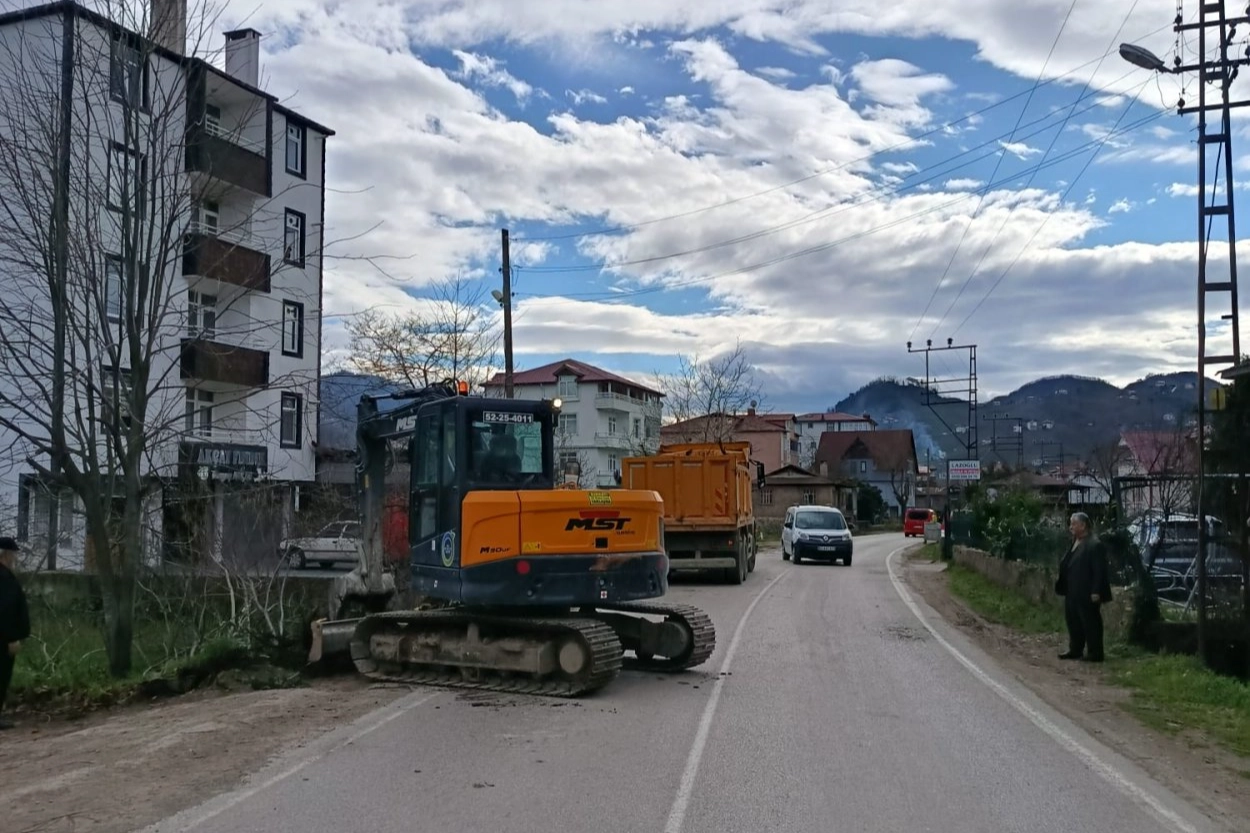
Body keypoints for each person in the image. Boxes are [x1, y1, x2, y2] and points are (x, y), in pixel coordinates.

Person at [1054, 512, 1112, 663]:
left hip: (1087, 592)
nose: (1070, 527)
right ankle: (1075, 649)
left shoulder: (1094, 544)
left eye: (1073, 524)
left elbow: (1099, 570)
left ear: (1083, 525)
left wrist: (1096, 591)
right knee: (1073, 621)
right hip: (1072, 590)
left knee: (1090, 623)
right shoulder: (1075, 541)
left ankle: (1095, 653)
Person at [0, 536, 30, 729]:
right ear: (5, 554)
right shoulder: (4, 578)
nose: (15, 559)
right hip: (3, 640)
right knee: (1, 676)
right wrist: (12, 638)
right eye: (13, 554)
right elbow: (6, 609)